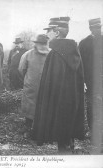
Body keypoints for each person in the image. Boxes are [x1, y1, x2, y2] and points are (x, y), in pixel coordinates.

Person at [32, 17, 85, 154]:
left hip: (59, 102)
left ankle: (65, 156)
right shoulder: (74, 50)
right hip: (71, 100)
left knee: (62, 137)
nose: (47, 34)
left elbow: (53, 83)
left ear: (56, 33)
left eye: (49, 31)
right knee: (67, 131)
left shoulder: (56, 54)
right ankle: (69, 148)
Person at [18, 34, 50, 138]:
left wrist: (28, 79)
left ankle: (29, 127)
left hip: (33, 85)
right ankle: (38, 129)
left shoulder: (28, 54)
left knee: (31, 106)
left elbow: (21, 69)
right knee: (41, 106)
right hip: (42, 86)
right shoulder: (51, 53)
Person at [79, 18, 103, 142]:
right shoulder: (84, 43)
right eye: (95, 28)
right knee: (91, 105)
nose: (98, 30)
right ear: (90, 28)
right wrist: (82, 81)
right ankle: (93, 131)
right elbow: (80, 64)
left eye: (100, 27)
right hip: (90, 81)